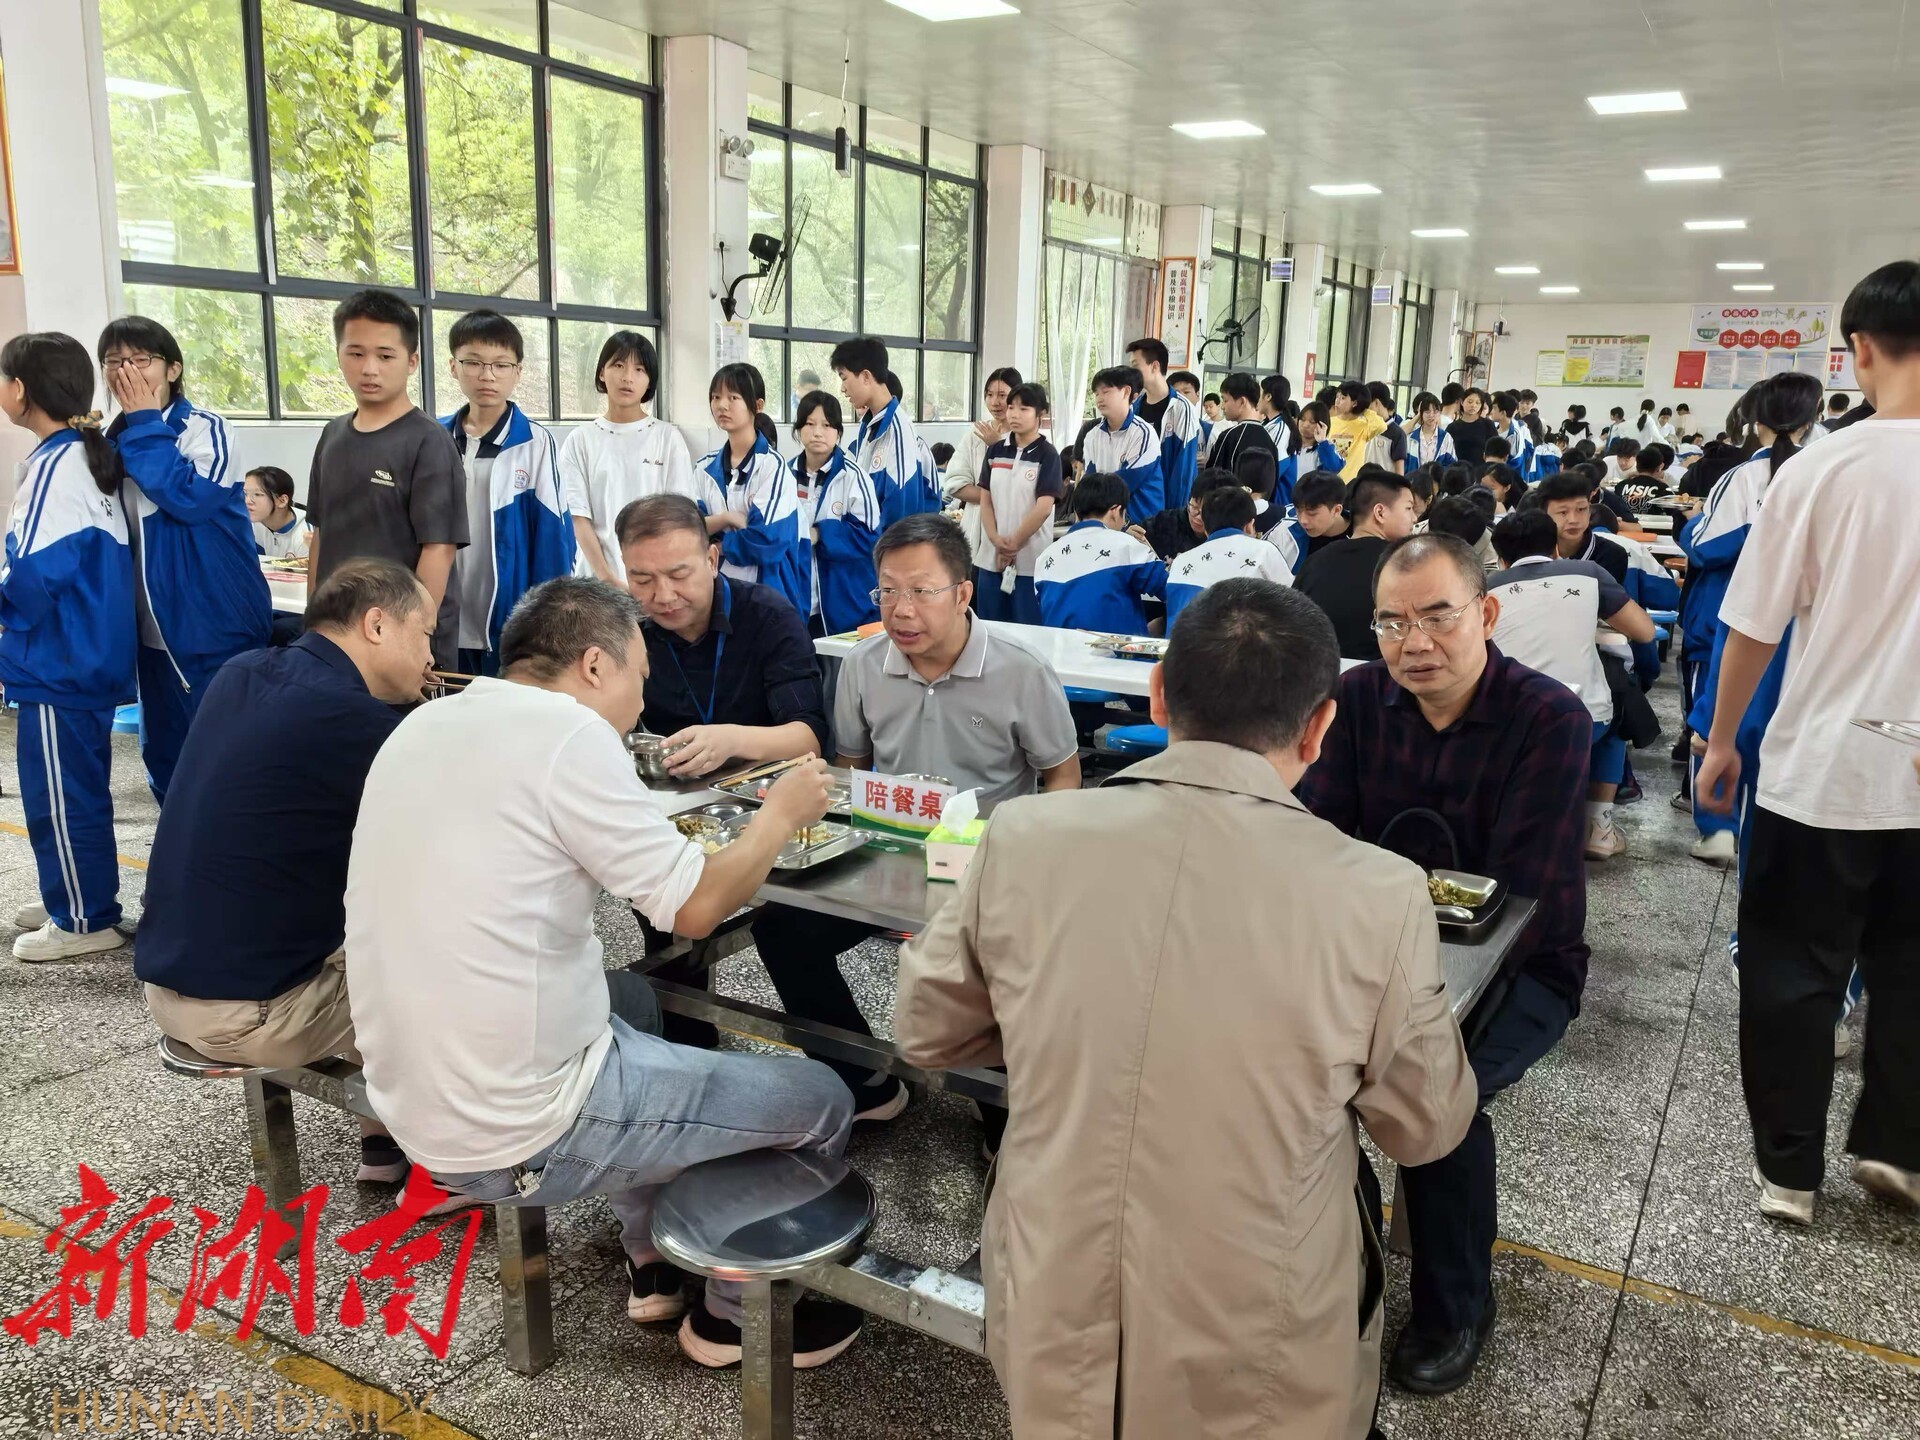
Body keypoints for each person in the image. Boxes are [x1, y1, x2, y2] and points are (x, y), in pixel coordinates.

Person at [894, 577, 1476, 1440]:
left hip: (1054, 1287)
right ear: (1319, 727)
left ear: (1159, 694)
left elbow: (927, 1029)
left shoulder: (1022, 838)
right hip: (1260, 1325)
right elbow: (1424, 1125)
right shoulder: (1379, 894)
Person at [345, 576, 863, 1367]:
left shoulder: (424, 724)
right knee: (823, 1097)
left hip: (409, 1101)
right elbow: (695, 908)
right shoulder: (570, 736)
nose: (639, 704)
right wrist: (778, 816)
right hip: (517, 1129)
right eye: (637, 678)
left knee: (636, 1008)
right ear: (595, 664)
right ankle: (733, 1317)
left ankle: (652, 1256)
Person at [1300, 532, 1593, 1394]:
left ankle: (1455, 1306)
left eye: (1437, 617)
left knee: (1442, 1100)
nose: (1414, 643)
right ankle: (1323, 1273)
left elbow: (1523, 895)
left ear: (1487, 613)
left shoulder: (1548, 719)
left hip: (1521, 965)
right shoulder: (1356, 699)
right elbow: (1317, 836)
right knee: (1284, 1076)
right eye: (1392, 623)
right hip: (1370, 954)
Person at [1696, 260, 1920, 1221]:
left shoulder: (1822, 468)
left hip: (1822, 770)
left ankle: (1789, 1173)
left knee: (1792, 974)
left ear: (1860, 350)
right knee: (1913, 974)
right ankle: (1900, 1150)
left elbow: (1751, 622)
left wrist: (1719, 741)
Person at [750, 514, 1079, 1114]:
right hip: (887, 855)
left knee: (994, 968)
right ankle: (865, 1082)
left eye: (922, 591)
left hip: (985, 869)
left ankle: (1000, 1113)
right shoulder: (863, 664)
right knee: (781, 930)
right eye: (887, 591)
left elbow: (1062, 774)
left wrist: (1037, 868)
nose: (901, 610)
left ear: (962, 593)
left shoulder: (1020, 671)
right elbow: (850, 770)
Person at [138, 559, 433, 1178]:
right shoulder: (354, 721)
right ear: (377, 625)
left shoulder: (241, 672)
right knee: (460, 961)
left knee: (372, 913)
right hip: (253, 1014)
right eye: (425, 634)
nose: (431, 657)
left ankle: (384, 1145)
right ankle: (461, 1166)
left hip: (170, 988)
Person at [0, 333, 136, 961]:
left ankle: (84, 917)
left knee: (59, 793)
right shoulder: (82, 455)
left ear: (20, 389)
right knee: (73, 786)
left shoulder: (56, 467)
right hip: (85, 652)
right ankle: (75, 893)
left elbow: (32, 575)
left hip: (60, 657)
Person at [100, 315, 273, 802]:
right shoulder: (109, 441)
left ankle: (236, 847)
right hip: (149, 631)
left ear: (173, 369)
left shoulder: (207, 429)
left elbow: (188, 499)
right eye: (113, 361)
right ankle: (179, 846)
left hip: (213, 623)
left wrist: (143, 423)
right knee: (166, 757)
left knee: (226, 755)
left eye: (140, 360)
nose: (126, 371)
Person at [305, 289, 468, 669]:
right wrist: (314, 622)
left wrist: (412, 637)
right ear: (339, 355)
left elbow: (438, 550)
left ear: (411, 362)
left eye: (385, 356)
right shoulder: (332, 435)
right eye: (356, 354)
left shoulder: (429, 441)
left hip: (404, 644)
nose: (369, 369)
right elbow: (321, 535)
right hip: (339, 637)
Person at [617, 495, 826, 781]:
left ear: (712, 560)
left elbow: (809, 738)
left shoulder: (768, 616)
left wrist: (733, 741)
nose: (664, 596)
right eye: (643, 580)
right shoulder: (625, 628)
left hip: (761, 790)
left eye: (679, 575)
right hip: (662, 790)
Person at [1488, 510, 1656, 859]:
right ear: (1556, 548)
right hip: (1583, 721)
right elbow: (1644, 631)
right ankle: (1599, 828)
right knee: (1618, 706)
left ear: (1501, 558)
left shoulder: (1485, 588)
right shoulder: (1588, 573)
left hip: (1501, 722)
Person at [439, 310, 572, 677]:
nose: (487, 375)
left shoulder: (533, 442)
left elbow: (553, 539)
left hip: (506, 616)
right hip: (442, 610)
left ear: (518, 371)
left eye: (500, 365)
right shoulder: (433, 437)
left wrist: (547, 622)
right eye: (474, 363)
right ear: (453, 367)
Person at [561, 331, 699, 588]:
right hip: (595, 584)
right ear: (602, 373)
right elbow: (578, 518)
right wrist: (607, 579)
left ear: (649, 381)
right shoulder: (580, 440)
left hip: (656, 583)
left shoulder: (667, 438)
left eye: (639, 369)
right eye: (618, 365)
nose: (627, 377)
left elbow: (679, 516)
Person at [696, 362, 808, 619]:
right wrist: (726, 519)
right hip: (716, 596)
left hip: (767, 600)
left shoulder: (772, 467)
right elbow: (689, 529)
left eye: (733, 398)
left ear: (757, 405)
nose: (722, 406)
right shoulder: (703, 468)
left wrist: (717, 544)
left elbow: (765, 541)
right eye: (716, 397)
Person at [1293, 468, 1420, 661]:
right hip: (1381, 673)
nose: (1414, 518)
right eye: (1408, 508)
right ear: (1380, 512)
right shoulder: (1405, 564)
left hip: (1317, 670)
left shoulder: (1314, 562)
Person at [789, 390, 880, 636]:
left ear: (838, 432)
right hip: (796, 600)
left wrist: (819, 533)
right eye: (810, 424)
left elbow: (869, 537)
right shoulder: (784, 476)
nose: (818, 432)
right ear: (798, 429)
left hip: (842, 603)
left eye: (827, 425)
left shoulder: (853, 477)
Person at [973, 381, 1064, 624]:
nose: (1014, 414)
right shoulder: (995, 451)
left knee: (1026, 630)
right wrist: (996, 540)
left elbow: (1044, 507)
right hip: (991, 558)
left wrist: (1013, 543)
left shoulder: (1048, 455)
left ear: (1040, 414)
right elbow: (986, 500)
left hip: (1028, 562)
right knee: (990, 628)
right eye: (1011, 407)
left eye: (1024, 409)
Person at [1034, 471, 1167, 635]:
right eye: (1124, 516)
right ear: (1115, 511)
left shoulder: (1044, 558)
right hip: (1116, 650)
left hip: (1058, 649)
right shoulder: (1127, 546)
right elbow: (1172, 589)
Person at [834, 335, 934, 526]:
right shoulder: (869, 426)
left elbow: (901, 510)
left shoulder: (897, 428)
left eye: (844, 378)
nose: (842, 389)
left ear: (865, 376)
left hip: (887, 542)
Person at [1163, 486, 1293, 625]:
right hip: (1238, 637)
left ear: (1206, 528)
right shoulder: (1264, 551)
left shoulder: (1181, 561)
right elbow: (1292, 603)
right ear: (1250, 526)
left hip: (1181, 638)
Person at [941, 366, 1020, 556]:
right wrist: (993, 498)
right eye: (989, 394)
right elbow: (954, 483)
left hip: (1011, 531)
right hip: (974, 530)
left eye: (1002, 395)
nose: (995, 402)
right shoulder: (975, 433)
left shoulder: (1026, 437)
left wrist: (997, 447)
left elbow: (1020, 490)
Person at [1124, 337, 1202, 508]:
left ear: (1155, 366)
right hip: (1140, 507)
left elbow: (1183, 471)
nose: (1131, 373)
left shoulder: (1182, 409)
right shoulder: (1133, 408)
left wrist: (1172, 516)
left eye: (1135, 366)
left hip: (1168, 508)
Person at [1079, 366, 1163, 524]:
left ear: (1126, 392)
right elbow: (1089, 482)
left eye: (1106, 392)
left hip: (1142, 524)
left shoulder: (1143, 433)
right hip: (1104, 524)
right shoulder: (1092, 436)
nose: (1099, 399)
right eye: (1096, 394)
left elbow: (1125, 483)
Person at [1535, 471, 1630, 583]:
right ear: (1544, 514)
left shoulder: (1611, 554)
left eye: (1581, 509)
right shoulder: (1530, 551)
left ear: (1590, 509)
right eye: (1563, 512)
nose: (1573, 520)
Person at [1130, 466, 1236, 563]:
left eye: (1206, 512)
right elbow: (1136, 537)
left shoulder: (1230, 540)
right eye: (1195, 507)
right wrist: (1127, 536)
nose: (1198, 517)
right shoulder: (1164, 523)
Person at [1204, 372, 1280, 497]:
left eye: (1225, 400)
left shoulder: (1229, 436)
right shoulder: (1269, 439)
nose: (1222, 406)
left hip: (1230, 506)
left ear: (1242, 402)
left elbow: (1212, 480)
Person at [1275, 404, 1343, 509]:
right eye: (1302, 419)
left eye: (1312, 422)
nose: (1305, 425)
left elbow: (1335, 467)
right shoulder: (1286, 444)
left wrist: (1323, 442)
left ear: (1322, 425)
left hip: (1309, 507)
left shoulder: (1325, 448)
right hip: (1282, 506)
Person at [244, 466, 310, 558]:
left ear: (282, 501)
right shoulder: (254, 525)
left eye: (257, 494)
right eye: (245, 493)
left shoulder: (306, 535)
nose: (247, 501)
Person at [1327, 380, 1386, 481]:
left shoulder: (1363, 426)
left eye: (1343, 398)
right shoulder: (1330, 421)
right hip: (1330, 480)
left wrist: (1364, 409)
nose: (1337, 401)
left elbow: (1381, 426)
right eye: (1337, 397)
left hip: (1351, 482)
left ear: (1354, 403)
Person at [1405, 391, 1458, 470]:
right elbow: (1405, 466)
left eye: (1435, 412)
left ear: (1440, 413)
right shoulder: (1411, 438)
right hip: (1414, 477)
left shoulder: (1446, 438)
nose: (1431, 415)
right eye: (1427, 412)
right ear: (1421, 414)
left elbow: (1451, 464)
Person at [1367, 381, 1409, 474]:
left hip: (1384, 482)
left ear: (1376, 403)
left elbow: (1399, 473)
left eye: (1367, 405)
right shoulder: (1363, 427)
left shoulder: (1397, 434)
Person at [1447, 387, 1497, 464]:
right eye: (1470, 402)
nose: (1473, 405)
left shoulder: (1488, 425)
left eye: (1477, 403)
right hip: (1458, 468)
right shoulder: (1452, 427)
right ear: (1462, 402)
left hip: (1482, 468)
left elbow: (1495, 448)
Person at [1489, 390, 1533, 477]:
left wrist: (1496, 471)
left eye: (1494, 408)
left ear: (1503, 413)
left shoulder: (1515, 434)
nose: (1491, 411)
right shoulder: (1493, 427)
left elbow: (1515, 461)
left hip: (1506, 477)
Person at [1259, 373, 1300, 456]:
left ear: (1268, 397)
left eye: (1259, 394)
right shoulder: (1266, 424)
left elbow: (1275, 461)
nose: (1256, 399)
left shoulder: (1281, 429)